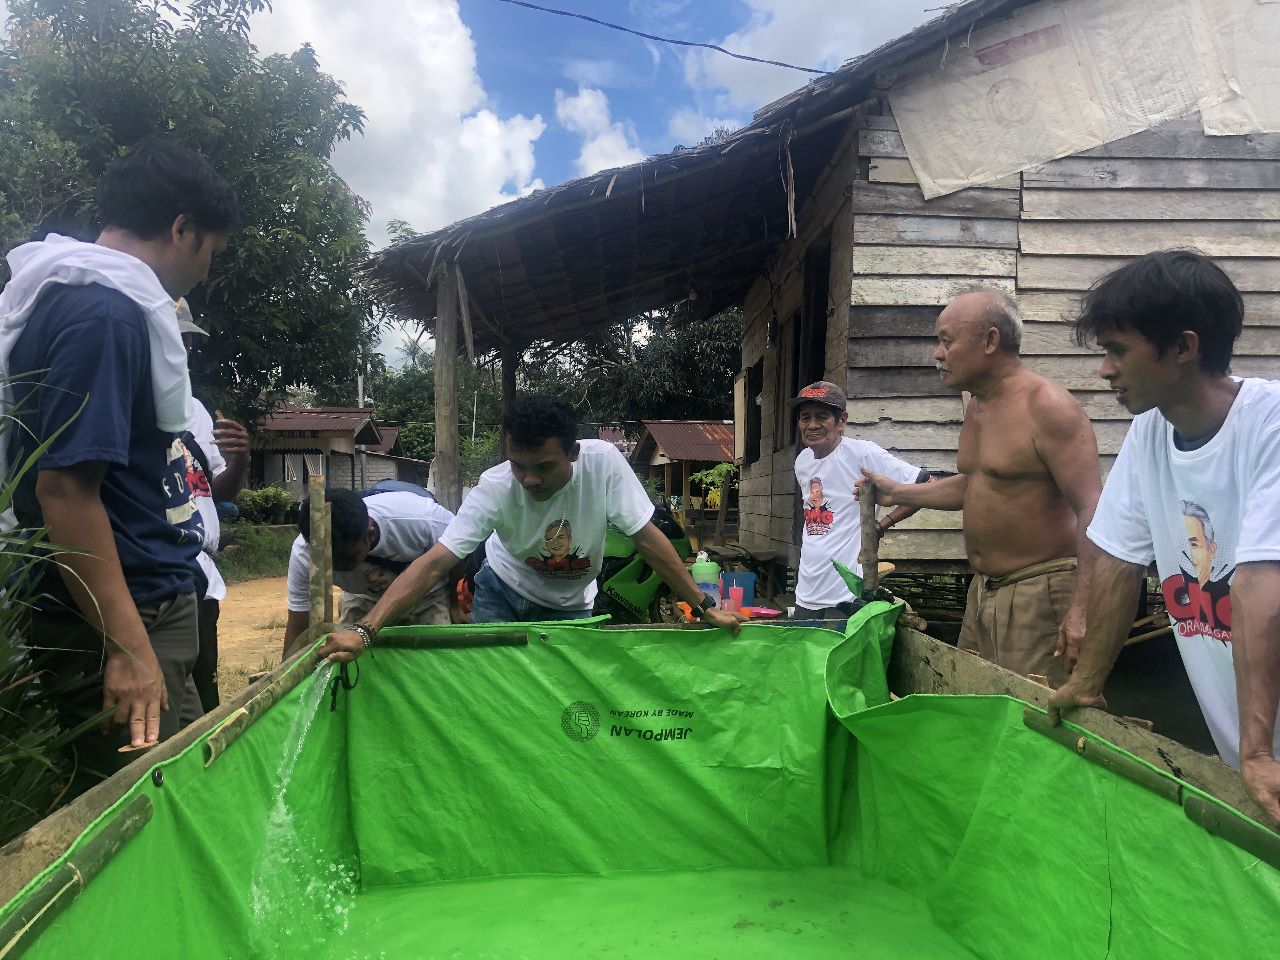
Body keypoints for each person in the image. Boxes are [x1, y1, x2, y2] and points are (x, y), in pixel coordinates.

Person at [0, 138, 236, 791]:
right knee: (160, 812)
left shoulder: (88, 296)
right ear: (181, 227)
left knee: (183, 794)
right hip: (126, 617)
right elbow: (67, 492)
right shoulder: (103, 312)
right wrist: (130, 648)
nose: (206, 271)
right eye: (211, 251)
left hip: (146, 601)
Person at [1046, 250, 1280, 824]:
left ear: (1183, 347)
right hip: (1255, 756)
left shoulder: (1270, 422)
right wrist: (1087, 683)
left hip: (1264, 752)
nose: (1104, 369)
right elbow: (1119, 563)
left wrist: (1256, 751)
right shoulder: (1152, 432)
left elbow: (1258, 585)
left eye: (1118, 350)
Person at [317, 396, 743, 661]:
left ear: (574, 453)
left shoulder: (604, 465)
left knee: (559, 704)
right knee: (493, 694)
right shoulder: (496, 486)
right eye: (519, 465)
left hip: (572, 606)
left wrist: (703, 607)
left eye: (543, 467)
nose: (530, 479)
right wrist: (364, 629)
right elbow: (433, 564)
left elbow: (646, 538)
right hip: (501, 596)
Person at [860, 288, 1101, 688]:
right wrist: (897, 492)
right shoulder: (978, 406)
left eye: (947, 340)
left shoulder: (1047, 406)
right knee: (974, 705)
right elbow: (977, 484)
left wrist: (1083, 609)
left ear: (990, 340)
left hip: (1040, 591)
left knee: (1033, 719)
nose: (938, 353)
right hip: (982, 591)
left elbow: (1092, 508)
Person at [789, 381, 930, 618]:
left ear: (841, 421)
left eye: (821, 417)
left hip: (846, 594)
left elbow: (927, 486)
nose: (812, 425)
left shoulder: (862, 454)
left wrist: (882, 524)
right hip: (806, 591)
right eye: (805, 417)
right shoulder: (803, 461)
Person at [176, 299, 250, 715]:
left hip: (199, 574)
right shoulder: (123, 398)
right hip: (153, 573)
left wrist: (240, 461)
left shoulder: (196, 409)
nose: (184, 351)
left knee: (205, 695)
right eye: (176, 339)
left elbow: (216, 493)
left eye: (188, 341)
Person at [282, 487, 458, 657]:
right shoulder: (304, 554)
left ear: (370, 535)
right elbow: (299, 622)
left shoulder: (424, 521)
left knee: (440, 658)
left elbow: (459, 550)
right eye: (330, 564)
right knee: (344, 658)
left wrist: (455, 604)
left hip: (428, 595)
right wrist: (283, 678)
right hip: (362, 597)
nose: (338, 567)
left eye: (347, 560)